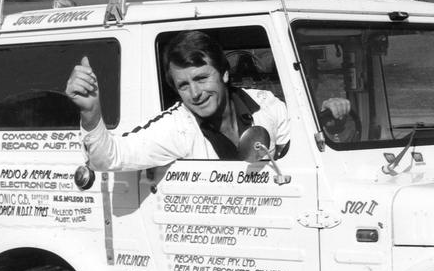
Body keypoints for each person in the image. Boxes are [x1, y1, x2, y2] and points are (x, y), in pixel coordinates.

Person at [66, 30, 350, 171]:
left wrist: (328, 118)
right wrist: (91, 113)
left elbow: (300, 145)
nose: (195, 93)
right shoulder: (177, 127)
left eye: (202, 79)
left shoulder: (265, 104)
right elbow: (108, 157)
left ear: (225, 74)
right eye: (184, 85)